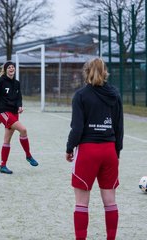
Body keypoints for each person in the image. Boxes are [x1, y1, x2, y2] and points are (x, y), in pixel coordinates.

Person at [65, 58, 123, 240]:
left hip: (88, 152)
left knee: (82, 203)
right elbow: (119, 127)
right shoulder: (114, 94)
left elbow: (77, 128)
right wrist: (117, 152)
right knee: (110, 201)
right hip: (109, 151)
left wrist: (69, 148)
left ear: (86, 71)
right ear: (105, 72)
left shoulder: (81, 95)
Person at [0, 61, 39, 174]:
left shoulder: (16, 83)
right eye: (9, 67)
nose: (11, 69)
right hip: (4, 112)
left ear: (15, 69)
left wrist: (19, 106)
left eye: (13, 67)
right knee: (23, 130)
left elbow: (19, 97)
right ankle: (28, 155)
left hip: (14, 113)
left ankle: (3, 165)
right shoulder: (1, 82)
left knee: (7, 140)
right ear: (5, 69)